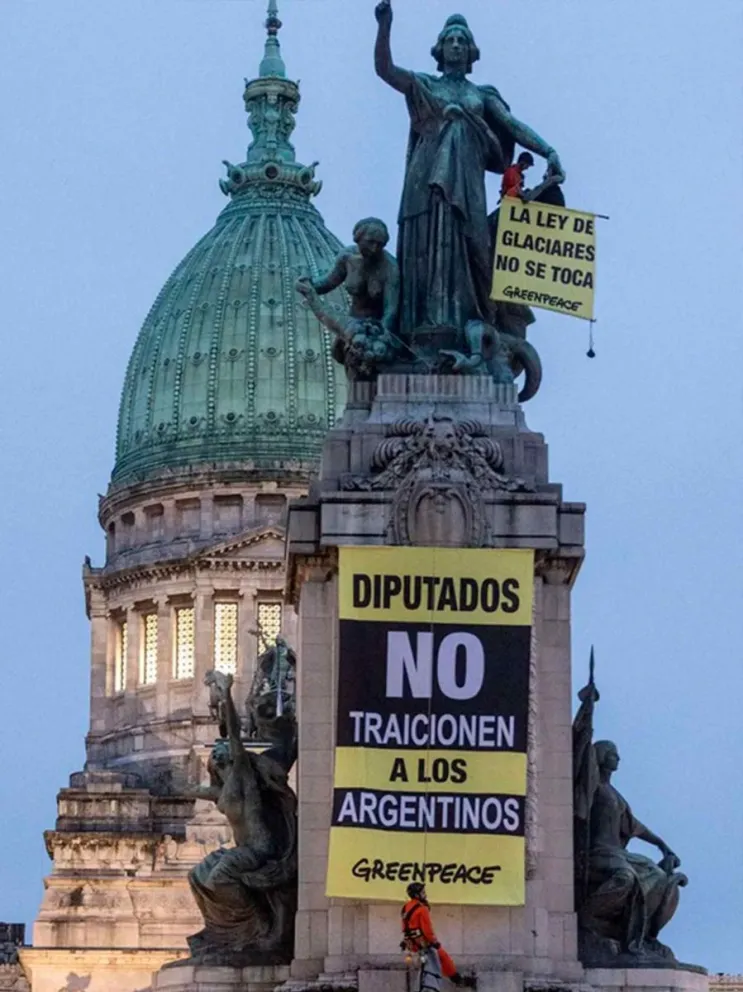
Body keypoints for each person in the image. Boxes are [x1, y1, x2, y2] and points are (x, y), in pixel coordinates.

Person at [374, 0, 564, 335]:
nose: (456, 45)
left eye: (462, 40)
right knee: (427, 247)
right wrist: (384, 26)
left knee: (475, 246)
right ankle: (429, 324)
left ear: (471, 51)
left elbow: (512, 125)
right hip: (426, 178)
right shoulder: (425, 84)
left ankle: (470, 318)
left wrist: (547, 149)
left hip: (467, 181)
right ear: (440, 48)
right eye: (450, 40)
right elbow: (385, 69)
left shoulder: (482, 94)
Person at [400, 883, 475, 989]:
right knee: (443, 956)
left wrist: (405, 941)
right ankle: (457, 980)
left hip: (411, 943)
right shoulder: (422, 909)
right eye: (423, 892)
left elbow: (404, 927)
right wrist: (434, 942)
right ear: (417, 895)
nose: (425, 894)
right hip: (423, 942)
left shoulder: (405, 908)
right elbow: (427, 930)